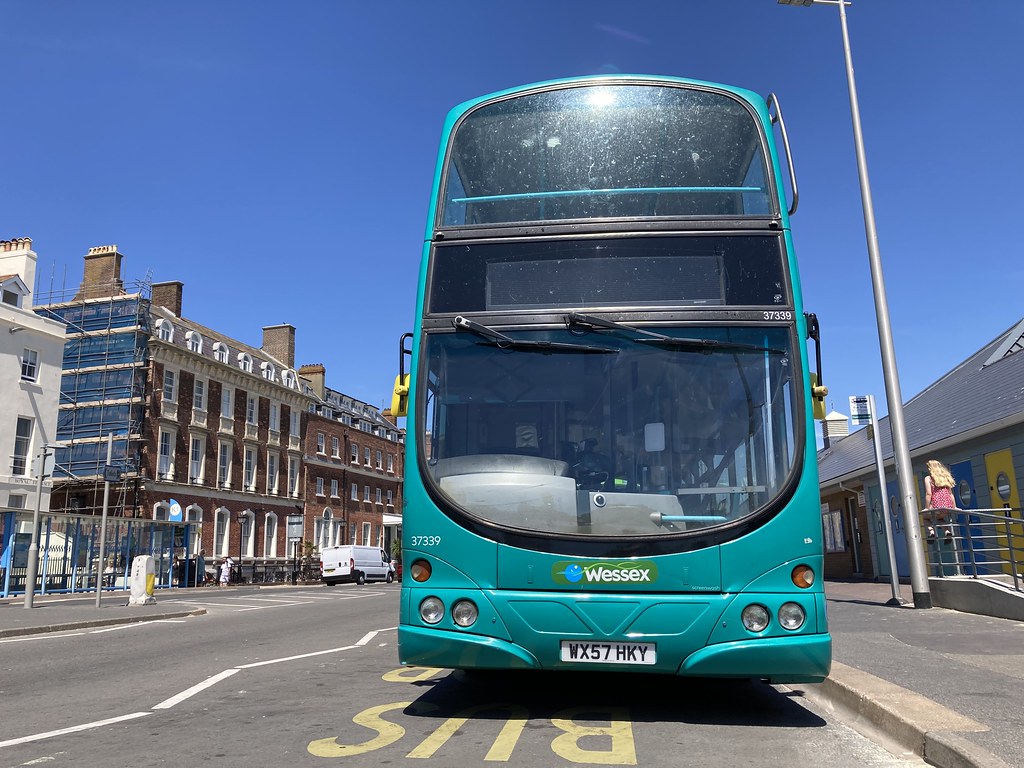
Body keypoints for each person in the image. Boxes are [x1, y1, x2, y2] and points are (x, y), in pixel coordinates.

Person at [924, 459, 957, 541]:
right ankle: (947, 531)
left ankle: (931, 533)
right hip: (947, 506)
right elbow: (950, 494)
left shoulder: (928, 478)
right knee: (939, 519)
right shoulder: (945, 477)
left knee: (925, 518)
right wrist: (954, 507)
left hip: (937, 506)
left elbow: (929, 494)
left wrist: (927, 508)